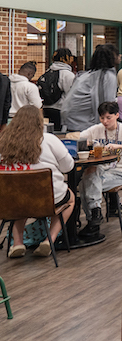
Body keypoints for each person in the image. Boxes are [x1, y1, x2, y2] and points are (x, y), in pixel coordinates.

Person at [0, 107, 75, 258]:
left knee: (20, 201)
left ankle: (18, 243)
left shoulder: (3, 141)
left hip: (10, 201)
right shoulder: (48, 139)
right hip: (47, 199)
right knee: (70, 199)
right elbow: (68, 167)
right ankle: (50, 240)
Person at [78, 101, 122, 239]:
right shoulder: (96, 129)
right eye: (102, 118)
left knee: (86, 183)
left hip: (121, 172)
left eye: (109, 118)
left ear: (117, 115)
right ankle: (94, 217)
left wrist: (121, 147)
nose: (105, 121)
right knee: (89, 176)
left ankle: (93, 219)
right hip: (102, 171)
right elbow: (77, 138)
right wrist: (87, 143)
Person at [62, 45, 119, 132]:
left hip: (71, 121)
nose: (120, 56)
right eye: (118, 54)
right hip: (84, 123)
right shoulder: (107, 76)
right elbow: (107, 104)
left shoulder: (88, 75)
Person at [39, 48, 76, 130]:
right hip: (60, 110)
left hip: (46, 108)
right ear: (66, 57)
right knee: (59, 134)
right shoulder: (68, 75)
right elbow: (71, 95)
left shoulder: (47, 72)